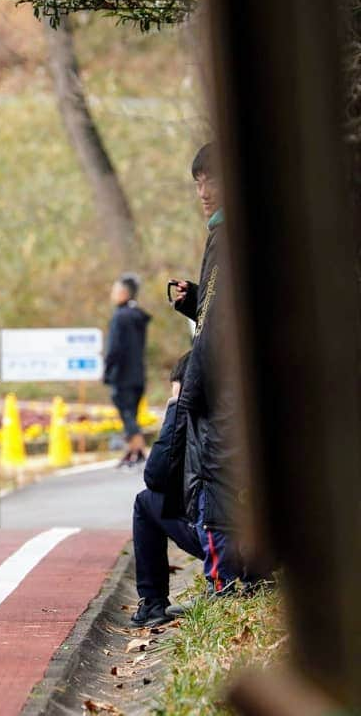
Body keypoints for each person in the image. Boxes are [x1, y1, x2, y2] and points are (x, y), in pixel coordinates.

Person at [165, 143, 247, 595]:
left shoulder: (227, 234)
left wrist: (188, 397)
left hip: (226, 399)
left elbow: (216, 331)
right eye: (198, 181)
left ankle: (229, 588)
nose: (204, 191)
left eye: (211, 179)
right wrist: (197, 301)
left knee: (218, 491)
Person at [129, 353, 204, 627]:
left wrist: (176, 407)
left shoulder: (191, 409)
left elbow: (155, 475)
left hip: (225, 537)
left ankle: (152, 603)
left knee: (146, 502)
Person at [104, 272, 151, 467]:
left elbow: (115, 348)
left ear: (124, 293)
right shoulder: (138, 316)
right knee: (132, 413)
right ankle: (132, 451)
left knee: (128, 415)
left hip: (122, 375)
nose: (113, 294)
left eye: (115, 290)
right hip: (138, 375)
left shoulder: (120, 317)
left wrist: (107, 370)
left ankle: (139, 450)